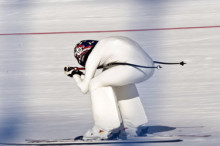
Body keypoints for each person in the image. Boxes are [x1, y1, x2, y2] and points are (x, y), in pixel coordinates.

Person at [64, 36, 155, 140]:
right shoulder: (105, 46)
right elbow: (106, 77)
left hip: (131, 66)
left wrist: (75, 75)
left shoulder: (94, 55)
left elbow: (85, 87)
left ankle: (103, 129)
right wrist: (82, 75)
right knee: (119, 83)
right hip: (146, 67)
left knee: (96, 84)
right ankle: (133, 126)